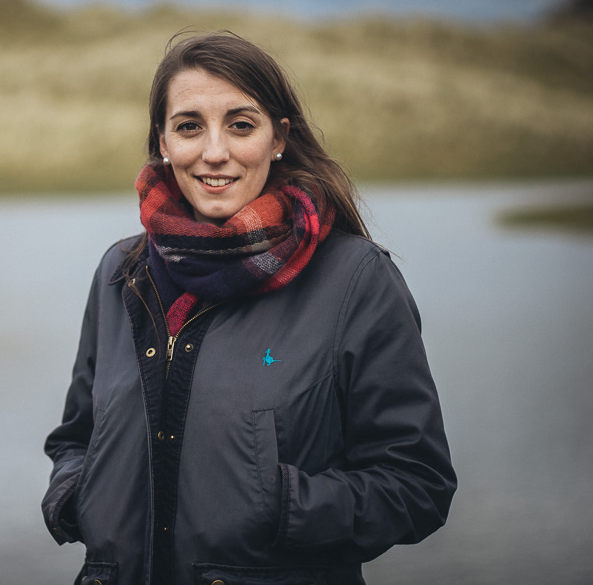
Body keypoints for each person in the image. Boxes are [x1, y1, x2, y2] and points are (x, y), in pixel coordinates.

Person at [42, 31, 456, 585]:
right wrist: (77, 497)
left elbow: (416, 483)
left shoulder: (355, 279)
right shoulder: (120, 273)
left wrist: (277, 504)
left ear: (278, 137)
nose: (215, 152)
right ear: (162, 141)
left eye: (241, 124)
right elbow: (76, 438)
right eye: (190, 125)